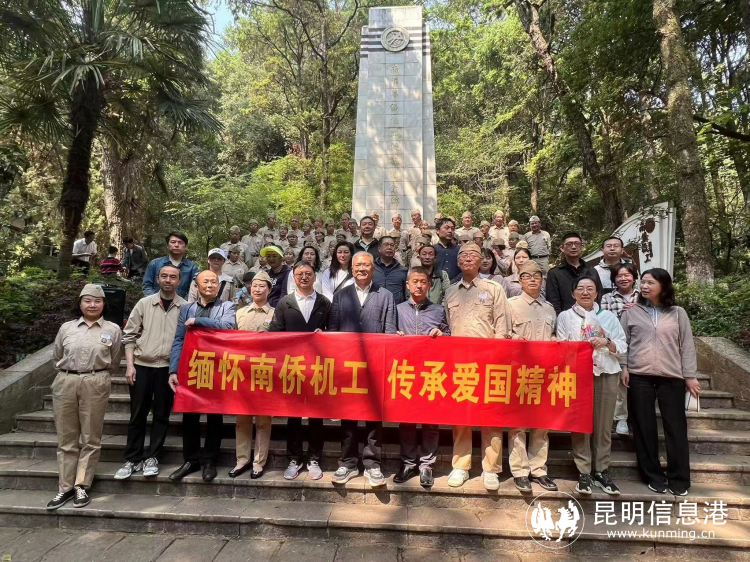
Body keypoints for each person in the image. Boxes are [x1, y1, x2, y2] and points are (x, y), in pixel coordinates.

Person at [620, 268, 698, 497]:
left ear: (663, 286)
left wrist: (690, 375)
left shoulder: (678, 313)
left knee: (676, 428)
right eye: (642, 282)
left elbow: (687, 344)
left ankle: (679, 479)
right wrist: (624, 367)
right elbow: (623, 342)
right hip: (639, 375)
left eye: (650, 283)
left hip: (672, 376)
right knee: (644, 426)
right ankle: (653, 476)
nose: (644, 286)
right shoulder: (631, 312)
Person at [46, 284, 122, 510]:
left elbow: (114, 360)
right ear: (80, 304)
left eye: (97, 301)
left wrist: (96, 375)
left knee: (91, 436)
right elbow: (57, 356)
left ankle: (81, 485)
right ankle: (65, 487)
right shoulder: (67, 328)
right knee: (66, 437)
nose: (92, 305)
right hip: (66, 380)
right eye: (87, 300)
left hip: (96, 381)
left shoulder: (112, 329)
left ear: (104, 304)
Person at [444, 242, 512, 490]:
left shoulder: (494, 288)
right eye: (463, 255)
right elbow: (450, 325)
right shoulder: (450, 292)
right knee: (460, 415)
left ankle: (491, 468)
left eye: (473, 255)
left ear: (481, 260)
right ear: (458, 261)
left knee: (490, 415)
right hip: (461, 363)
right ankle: (460, 466)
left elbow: (503, 326)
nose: (468, 259)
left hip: (489, 362)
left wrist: (498, 357)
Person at [328, 252, 397, 487]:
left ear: (373, 269)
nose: (361, 269)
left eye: (366, 265)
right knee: (348, 416)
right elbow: (333, 331)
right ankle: (347, 463)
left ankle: (372, 464)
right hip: (348, 366)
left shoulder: (385, 295)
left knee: (373, 417)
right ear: (351, 269)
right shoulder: (340, 295)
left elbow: (389, 330)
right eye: (357, 265)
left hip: (375, 366)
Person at [557, 275, 627, 496]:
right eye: (580, 288)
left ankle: (601, 470)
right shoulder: (565, 316)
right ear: (573, 293)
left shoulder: (608, 317)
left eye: (590, 288)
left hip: (606, 372)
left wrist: (606, 341)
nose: (585, 292)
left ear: (597, 293)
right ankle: (584, 471)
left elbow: (622, 346)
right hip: (577, 375)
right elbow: (561, 345)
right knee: (579, 424)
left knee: (604, 425)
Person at [115, 264, 185, 481]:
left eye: (172, 277)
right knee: (137, 414)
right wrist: (129, 365)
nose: (168, 280)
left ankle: (152, 457)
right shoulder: (144, 303)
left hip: (168, 369)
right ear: (157, 279)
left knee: (162, 415)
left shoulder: (185, 307)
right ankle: (132, 458)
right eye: (164, 276)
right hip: (142, 365)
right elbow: (129, 335)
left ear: (179, 281)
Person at [168, 271, 236, 482]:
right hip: (192, 367)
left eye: (214, 282)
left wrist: (197, 321)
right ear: (196, 286)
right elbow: (179, 339)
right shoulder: (186, 308)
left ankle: (210, 460)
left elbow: (227, 327)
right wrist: (173, 369)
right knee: (189, 414)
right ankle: (191, 460)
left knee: (215, 416)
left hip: (217, 368)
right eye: (205, 282)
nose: (210, 285)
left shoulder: (227, 306)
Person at [269, 262, 331, 481]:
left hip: (317, 367)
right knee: (293, 416)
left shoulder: (325, 302)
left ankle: (314, 458)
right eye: (299, 274)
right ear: (294, 278)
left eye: (308, 274)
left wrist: (325, 334)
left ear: (315, 277)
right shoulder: (285, 303)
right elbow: (275, 333)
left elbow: (334, 331)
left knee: (316, 416)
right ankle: (294, 458)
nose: (304, 277)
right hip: (291, 367)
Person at [393, 267, 450, 488]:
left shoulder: (438, 310)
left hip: (431, 373)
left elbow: (450, 336)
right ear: (407, 285)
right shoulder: (397, 309)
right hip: (405, 372)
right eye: (415, 281)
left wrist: (442, 335)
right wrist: (395, 335)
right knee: (406, 420)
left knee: (430, 421)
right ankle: (408, 463)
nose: (419, 285)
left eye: (423, 282)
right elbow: (388, 334)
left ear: (429, 285)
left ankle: (427, 465)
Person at [507, 261, 558, 493]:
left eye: (537, 275)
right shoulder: (510, 305)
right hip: (519, 372)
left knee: (542, 423)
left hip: (544, 373)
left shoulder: (549, 308)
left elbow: (553, 334)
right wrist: (513, 340)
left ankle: (539, 469)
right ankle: (520, 471)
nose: (533, 279)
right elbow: (503, 334)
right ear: (520, 280)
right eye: (527, 276)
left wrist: (555, 341)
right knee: (518, 424)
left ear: (542, 279)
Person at [232, 271, 275, 479]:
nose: (257, 289)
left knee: (263, 420)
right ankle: (242, 459)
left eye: (262, 286)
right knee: (242, 418)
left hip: (266, 372)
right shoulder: (239, 313)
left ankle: (259, 462)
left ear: (269, 290)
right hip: (242, 372)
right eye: (254, 285)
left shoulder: (276, 313)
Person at [601, 262, 640, 436]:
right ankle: (621, 418)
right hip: (617, 344)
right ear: (613, 279)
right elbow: (604, 322)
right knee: (620, 383)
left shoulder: (642, 295)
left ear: (634, 277)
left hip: (639, 344)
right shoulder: (607, 298)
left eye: (627, 275)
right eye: (619, 276)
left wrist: (636, 310)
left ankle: (636, 417)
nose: (623, 279)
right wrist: (622, 314)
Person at [546, 232, 601, 315]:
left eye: (577, 244)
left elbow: (599, 296)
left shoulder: (592, 270)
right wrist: (561, 319)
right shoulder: (554, 273)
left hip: (591, 317)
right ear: (562, 248)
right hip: (567, 318)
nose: (574, 247)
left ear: (582, 247)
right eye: (569, 244)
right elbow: (553, 302)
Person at [143, 232, 199, 299]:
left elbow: (194, 290)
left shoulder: (192, 267)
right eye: (173, 242)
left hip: (182, 304)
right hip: (155, 303)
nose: (176, 245)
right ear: (167, 245)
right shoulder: (154, 264)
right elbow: (147, 286)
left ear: (185, 247)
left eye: (180, 242)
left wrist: (183, 304)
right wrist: (155, 301)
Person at [373, 236, 408, 304]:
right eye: (386, 244)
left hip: (396, 308)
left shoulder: (403, 270)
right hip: (375, 307)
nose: (389, 247)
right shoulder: (372, 268)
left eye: (392, 245)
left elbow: (407, 294)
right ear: (379, 249)